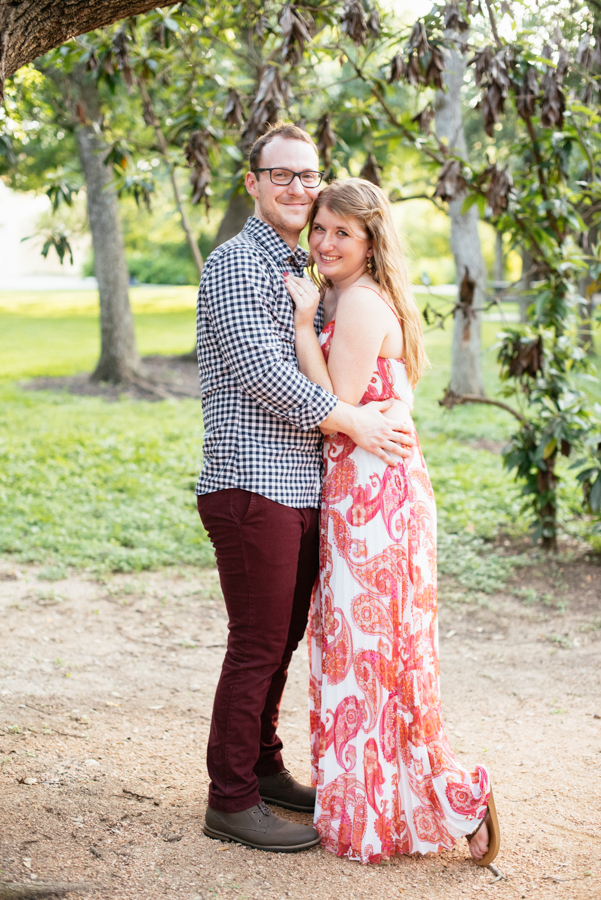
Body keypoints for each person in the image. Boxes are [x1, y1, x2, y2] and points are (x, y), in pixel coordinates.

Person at [195, 124, 416, 853]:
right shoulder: (235, 264)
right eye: (279, 175)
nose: (296, 188)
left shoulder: (303, 267)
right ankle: (228, 800)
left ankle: (262, 770)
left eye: (306, 175)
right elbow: (262, 373)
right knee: (257, 643)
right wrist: (353, 418)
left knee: (281, 640)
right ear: (252, 183)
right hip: (250, 480)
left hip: (300, 487)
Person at [284, 178, 501, 866]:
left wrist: (299, 323)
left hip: (372, 501)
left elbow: (335, 399)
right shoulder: (358, 297)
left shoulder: (358, 301)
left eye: (341, 233)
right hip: (369, 490)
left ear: (371, 240)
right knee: (374, 653)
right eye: (319, 228)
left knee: (370, 652)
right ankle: (409, 805)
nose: (323, 242)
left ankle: (454, 797)